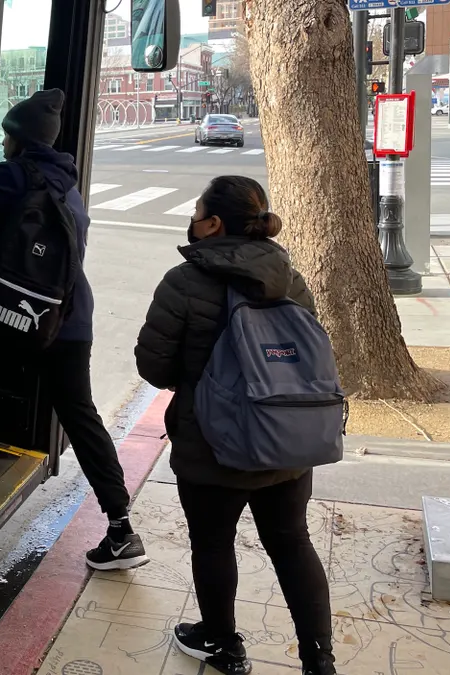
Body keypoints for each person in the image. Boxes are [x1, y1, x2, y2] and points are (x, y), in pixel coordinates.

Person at [134, 176, 335, 675]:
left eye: (198, 211)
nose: (193, 220)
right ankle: (319, 661)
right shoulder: (287, 273)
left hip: (211, 444)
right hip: (285, 437)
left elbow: (153, 367)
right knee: (292, 541)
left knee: (213, 544)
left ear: (214, 223)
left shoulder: (184, 281)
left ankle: (223, 643)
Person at [0, 88, 148, 572]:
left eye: (7, 136)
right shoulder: (66, 181)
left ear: (17, 139)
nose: (3, 144)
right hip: (68, 319)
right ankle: (120, 528)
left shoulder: (10, 178)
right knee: (81, 417)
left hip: (17, 314)